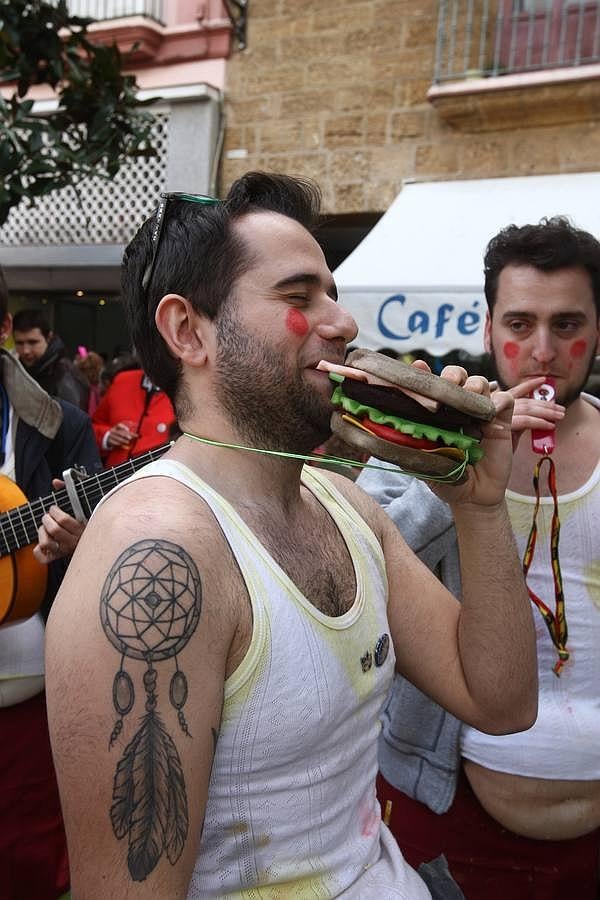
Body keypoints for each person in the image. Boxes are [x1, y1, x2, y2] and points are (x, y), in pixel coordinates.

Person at [45, 173, 537, 899]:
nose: (343, 323)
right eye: (299, 297)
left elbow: (501, 703)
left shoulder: (345, 505)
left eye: (332, 293)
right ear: (188, 331)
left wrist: (480, 506)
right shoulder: (157, 552)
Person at [357, 217, 600, 899]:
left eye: (567, 324)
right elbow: (367, 562)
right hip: (447, 814)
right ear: (489, 329)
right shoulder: (423, 437)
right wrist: (457, 467)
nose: (543, 351)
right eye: (520, 324)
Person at [0, 269, 102, 899]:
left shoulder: (60, 425)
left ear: (5, 329)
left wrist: (81, 539)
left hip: (28, 681)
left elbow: (104, 534)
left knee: (27, 858)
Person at [91, 365, 176, 467]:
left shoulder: (187, 391)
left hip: (160, 472)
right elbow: (92, 426)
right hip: (114, 472)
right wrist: (107, 435)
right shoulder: (123, 380)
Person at [12, 308, 89, 410]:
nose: (26, 350)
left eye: (33, 342)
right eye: (19, 343)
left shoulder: (63, 374)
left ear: (49, 337)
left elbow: (72, 417)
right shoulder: (17, 369)